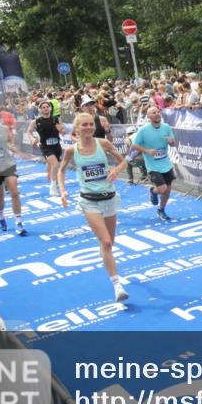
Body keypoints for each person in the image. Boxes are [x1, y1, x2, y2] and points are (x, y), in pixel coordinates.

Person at [57, 112, 130, 302]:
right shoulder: (72, 150)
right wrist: (62, 191)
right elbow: (61, 170)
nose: (89, 127)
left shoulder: (103, 144)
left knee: (108, 244)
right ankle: (117, 285)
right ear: (76, 129)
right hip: (88, 201)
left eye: (91, 124)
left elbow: (124, 160)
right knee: (106, 242)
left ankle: (108, 262)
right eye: (84, 125)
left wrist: (116, 170)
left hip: (109, 198)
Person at [130, 105, 178, 220]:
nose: (157, 114)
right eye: (153, 113)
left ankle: (161, 210)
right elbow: (134, 145)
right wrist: (147, 151)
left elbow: (173, 143)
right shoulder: (144, 130)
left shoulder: (166, 127)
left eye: (158, 112)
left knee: (167, 190)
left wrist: (171, 142)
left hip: (166, 164)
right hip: (153, 166)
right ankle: (152, 190)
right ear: (148, 117)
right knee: (162, 189)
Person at [28, 100, 65, 196]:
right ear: (40, 109)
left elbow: (62, 130)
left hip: (57, 146)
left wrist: (61, 129)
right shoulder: (36, 121)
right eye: (43, 107)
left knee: (58, 166)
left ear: (50, 108)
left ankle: (56, 183)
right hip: (45, 147)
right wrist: (32, 138)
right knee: (55, 164)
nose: (46, 108)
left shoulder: (56, 119)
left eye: (47, 106)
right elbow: (29, 131)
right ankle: (52, 188)